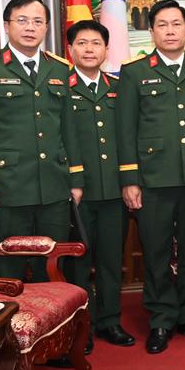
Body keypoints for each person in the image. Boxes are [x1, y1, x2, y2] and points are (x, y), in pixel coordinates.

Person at [0, 0, 82, 281]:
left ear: (46, 28)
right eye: (23, 20)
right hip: (8, 188)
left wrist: (76, 179)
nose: (30, 27)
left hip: (53, 186)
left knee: (53, 267)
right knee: (9, 268)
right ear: (7, 26)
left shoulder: (59, 68)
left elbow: (68, 129)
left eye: (38, 21)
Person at [116, 0, 185, 354]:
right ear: (151, 31)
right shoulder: (135, 72)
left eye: (176, 24)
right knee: (155, 254)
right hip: (152, 181)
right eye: (162, 25)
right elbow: (125, 129)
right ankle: (161, 319)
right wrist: (130, 179)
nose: (170, 31)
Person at [64, 19, 135, 349]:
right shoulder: (60, 88)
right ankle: (83, 327)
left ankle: (110, 321)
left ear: (107, 49)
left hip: (113, 192)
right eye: (82, 43)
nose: (89, 49)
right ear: (70, 50)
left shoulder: (118, 88)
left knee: (110, 261)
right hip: (78, 192)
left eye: (96, 43)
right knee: (78, 263)